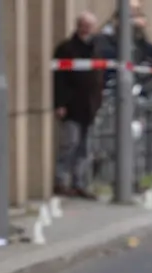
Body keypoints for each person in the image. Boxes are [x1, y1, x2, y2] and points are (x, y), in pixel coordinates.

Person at [53, 12, 104, 200]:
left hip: (90, 106)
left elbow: (99, 77)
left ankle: (80, 183)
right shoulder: (67, 49)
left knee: (85, 147)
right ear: (79, 26)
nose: (88, 29)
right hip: (72, 105)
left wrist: (99, 100)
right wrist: (60, 103)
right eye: (85, 25)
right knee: (70, 144)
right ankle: (61, 181)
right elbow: (59, 78)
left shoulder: (95, 48)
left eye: (91, 26)